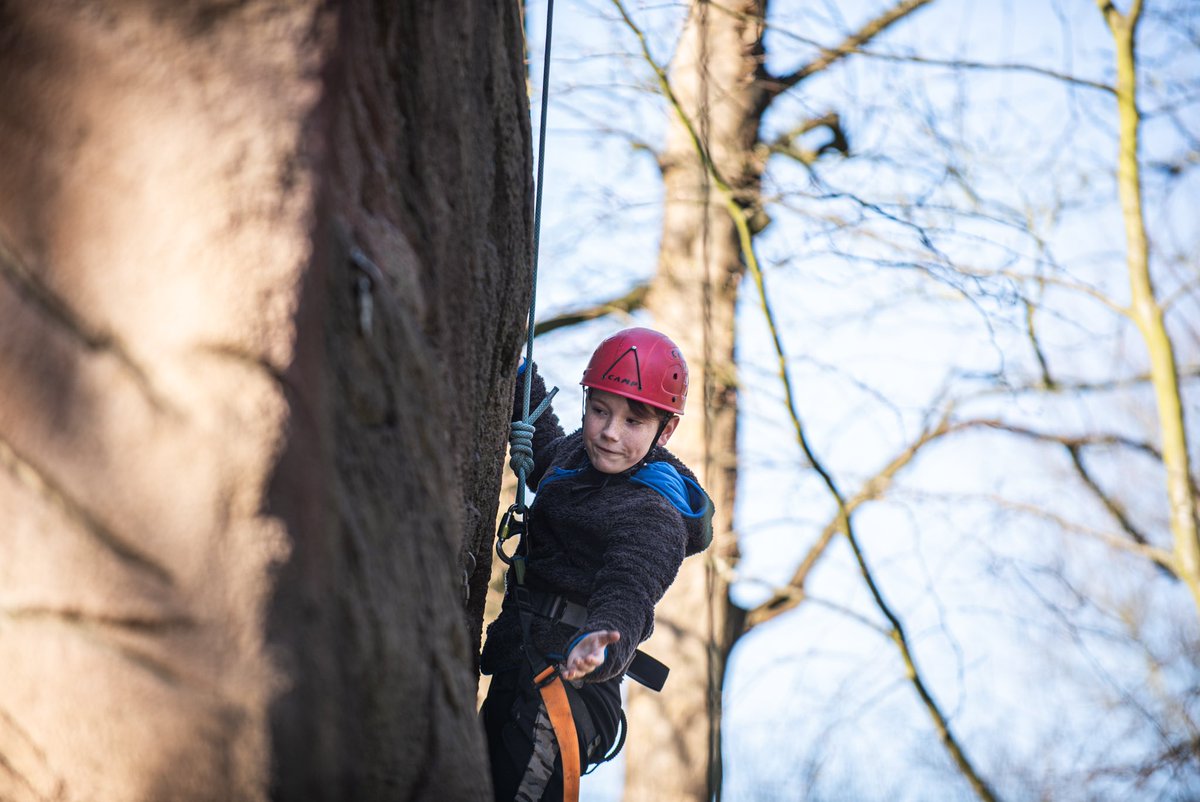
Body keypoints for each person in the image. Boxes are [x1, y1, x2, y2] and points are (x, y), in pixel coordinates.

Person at [480, 327, 714, 801]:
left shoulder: (653, 516)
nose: (609, 432)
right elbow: (549, 451)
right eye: (600, 410)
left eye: (633, 421)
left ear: (664, 430)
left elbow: (629, 591)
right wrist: (519, 369)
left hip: (569, 689)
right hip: (519, 660)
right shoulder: (577, 454)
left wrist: (599, 644)